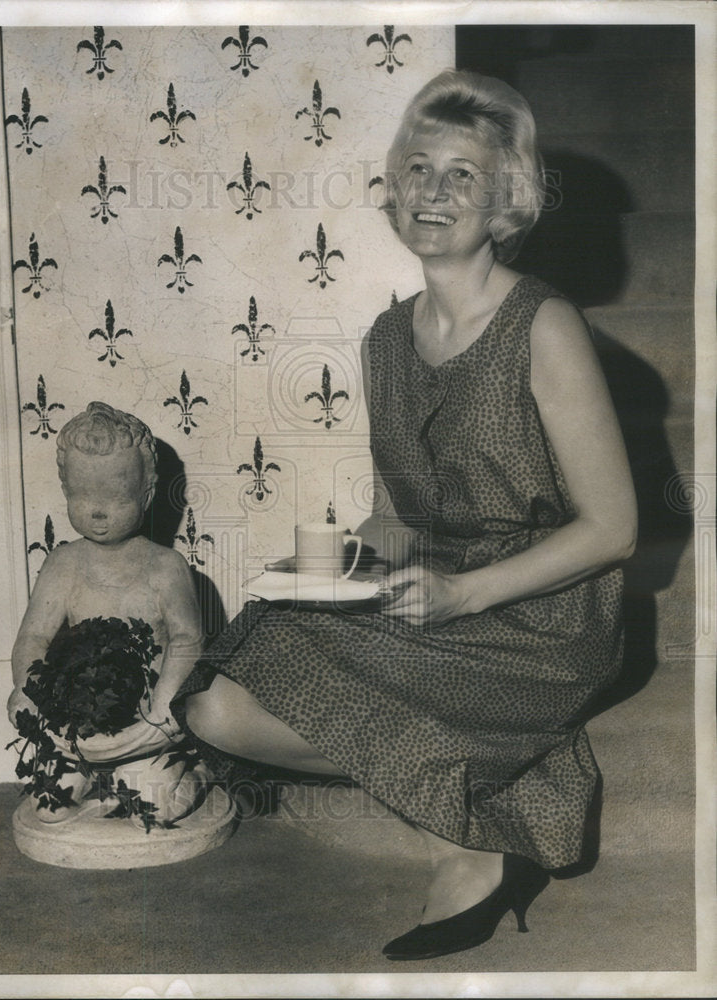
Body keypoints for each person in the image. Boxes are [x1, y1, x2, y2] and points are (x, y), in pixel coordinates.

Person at [177, 69, 637, 959]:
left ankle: (470, 839)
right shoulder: (387, 337)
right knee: (221, 700)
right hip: (439, 585)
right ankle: (479, 803)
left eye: (462, 174)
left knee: (274, 676)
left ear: (504, 197)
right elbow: (398, 512)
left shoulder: (545, 325)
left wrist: (469, 594)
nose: (433, 192)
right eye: (418, 168)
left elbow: (614, 529)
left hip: (545, 611)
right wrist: (324, 575)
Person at [7, 401, 204, 825]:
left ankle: (190, 774)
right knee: (49, 808)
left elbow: (188, 640)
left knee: (153, 809)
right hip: (75, 729)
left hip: (148, 728)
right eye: (82, 495)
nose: (98, 511)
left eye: (115, 497)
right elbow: (33, 639)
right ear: (66, 491)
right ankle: (99, 778)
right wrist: (30, 691)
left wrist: (162, 714)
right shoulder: (62, 564)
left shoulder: (166, 568)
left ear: (146, 492)